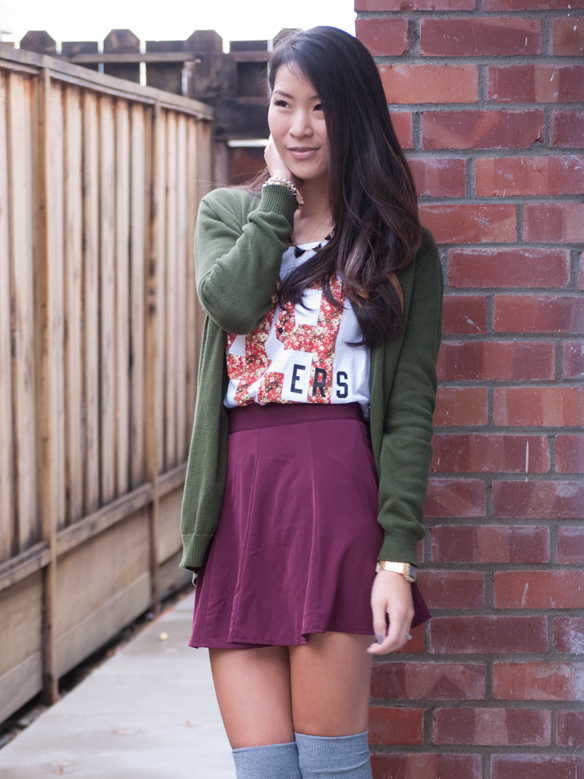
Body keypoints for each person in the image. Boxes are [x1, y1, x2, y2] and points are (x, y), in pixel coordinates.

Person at [180, 25, 443, 779]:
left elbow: (408, 411)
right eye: (284, 103)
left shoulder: (400, 247)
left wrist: (397, 557)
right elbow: (230, 304)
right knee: (264, 771)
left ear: (354, 113)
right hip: (242, 502)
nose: (299, 126)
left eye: (322, 107)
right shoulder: (229, 216)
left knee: (329, 769)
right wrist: (275, 204)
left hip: (336, 500)